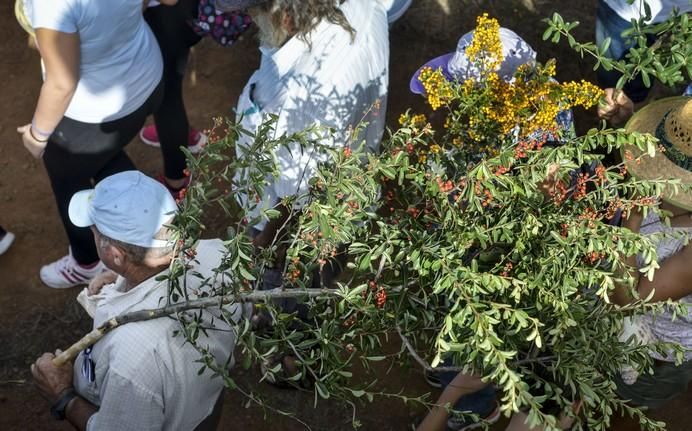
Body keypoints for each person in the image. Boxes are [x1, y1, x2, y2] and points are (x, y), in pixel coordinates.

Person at [30, 171, 243, 430]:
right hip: (204, 402)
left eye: (95, 232)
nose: (93, 236)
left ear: (115, 254)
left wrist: (62, 395)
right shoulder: (221, 255)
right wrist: (120, 279)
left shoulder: (130, 361)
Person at [219, 0, 389, 272]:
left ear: (285, 16)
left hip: (295, 234)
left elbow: (294, 201)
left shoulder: (304, 99)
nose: (250, 17)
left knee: (288, 302)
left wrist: (267, 243)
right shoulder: (363, 6)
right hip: (346, 193)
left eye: (255, 10)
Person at [19, 0, 165, 288]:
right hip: (146, 80)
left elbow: (62, 82)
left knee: (67, 174)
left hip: (92, 113)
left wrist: (36, 136)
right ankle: (150, 237)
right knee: (105, 155)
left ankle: (86, 261)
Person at [609, 96, 692, 409]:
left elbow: (629, 299)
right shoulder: (664, 196)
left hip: (657, 357)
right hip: (624, 335)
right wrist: (621, 120)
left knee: (631, 404)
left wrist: (633, 213)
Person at [410, 26, 575, 141]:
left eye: (468, 88)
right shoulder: (549, 87)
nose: (460, 93)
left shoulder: (525, 128)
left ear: (501, 91)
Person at [139, 0, 208, 196]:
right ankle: (181, 136)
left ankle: (176, 181)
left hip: (164, 16)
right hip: (174, 15)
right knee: (169, 93)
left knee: (167, 99)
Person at [595, 0, 692, 103]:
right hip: (623, 11)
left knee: (641, 75)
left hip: (678, 12)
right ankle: (610, 102)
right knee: (612, 71)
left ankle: (633, 103)